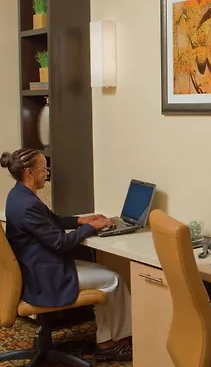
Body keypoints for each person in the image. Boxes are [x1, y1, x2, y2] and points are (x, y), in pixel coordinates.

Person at [0, 148, 133, 362]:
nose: (47, 174)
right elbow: (61, 243)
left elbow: (52, 220)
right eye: (43, 169)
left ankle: (112, 338)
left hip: (35, 267)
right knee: (113, 279)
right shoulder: (28, 205)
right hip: (43, 278)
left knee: (105, 272)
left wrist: (81, 221)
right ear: (29, 173)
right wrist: (92, 227)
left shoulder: (18, 195)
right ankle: (109, 345)